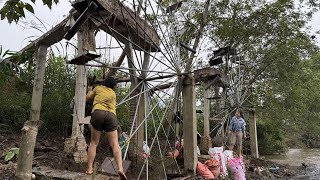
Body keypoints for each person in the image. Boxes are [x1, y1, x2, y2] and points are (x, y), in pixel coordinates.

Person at [86, 77, 127, 180]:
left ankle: (89, 169)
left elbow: (87, 98)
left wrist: (90, 89)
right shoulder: (113, 94)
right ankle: (120, 168)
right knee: (115, 144)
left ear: (105, 82)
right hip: (111, 115)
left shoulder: (98, 88)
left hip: (98, 112)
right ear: (113, 86)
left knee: (94, 143)